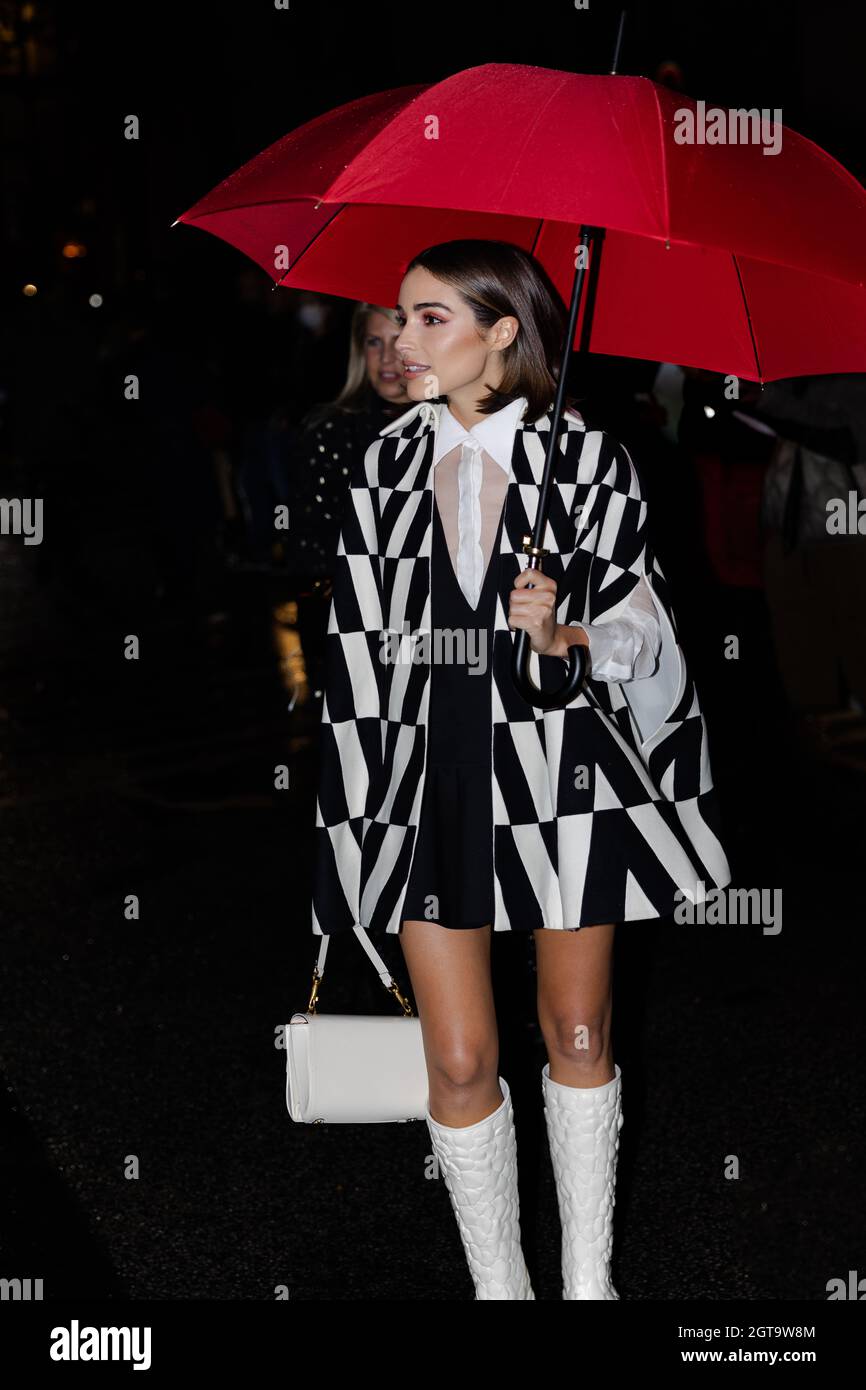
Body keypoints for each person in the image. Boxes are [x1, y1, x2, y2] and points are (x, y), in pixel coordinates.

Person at [310, 239, 732, 1300]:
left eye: (428, 319)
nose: (398, 341)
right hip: (425, 777)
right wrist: (347, 827)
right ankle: (501, 1293)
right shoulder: (379, 466)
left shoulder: (585, 462)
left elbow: (643, 626)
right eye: (396, 320)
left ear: (503, 332)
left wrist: (559, 641)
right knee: (454, 1061)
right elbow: (358, 660)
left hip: (562, 773)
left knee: (577, 1028)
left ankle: (587, 1286)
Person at [278, 301, 410, 696]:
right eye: (373, 342)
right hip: (354, 634)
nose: (387, 358)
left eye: (398, 341)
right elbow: (308, 553)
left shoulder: (456, 432)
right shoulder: (331, 431)